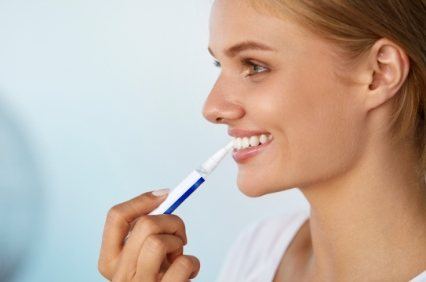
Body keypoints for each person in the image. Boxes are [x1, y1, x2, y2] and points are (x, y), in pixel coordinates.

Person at [98, 0, 426, 281]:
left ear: (380, 73)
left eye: (255, 66)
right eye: (218, 63)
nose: (212, 108)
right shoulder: (258, 251)